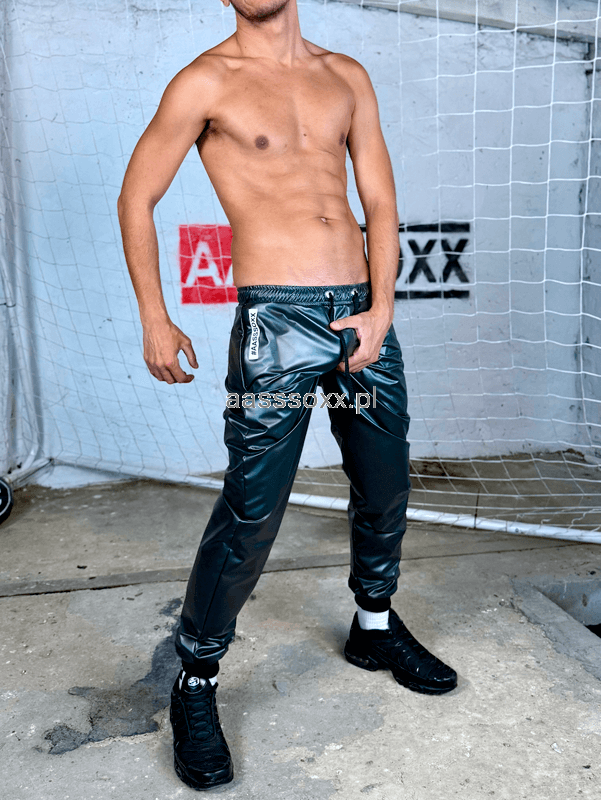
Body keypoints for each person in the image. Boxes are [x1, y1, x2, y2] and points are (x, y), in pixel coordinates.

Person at [117, 0, 457, 790]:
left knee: (384, 485)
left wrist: (381, 310)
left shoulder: (345, 76)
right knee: (252, 511)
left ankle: (373, 626)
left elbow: (379, 201)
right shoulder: (205, 81)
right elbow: (137, 196)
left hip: (361, 315)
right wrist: (155, 318)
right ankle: (195, 678)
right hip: (275, 320)